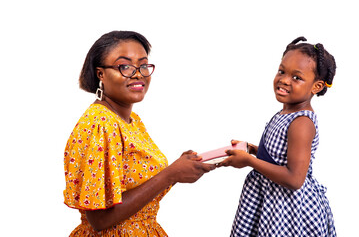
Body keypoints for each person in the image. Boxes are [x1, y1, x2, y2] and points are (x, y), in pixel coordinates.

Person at [63, 30, 215, 236]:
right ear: (101, 74)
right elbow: (99, 219)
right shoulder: (100, 124)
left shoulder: (131, 121)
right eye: (124, 66)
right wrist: (170, 175)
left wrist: (179, 167)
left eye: (143, 65)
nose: (138, 74)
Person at [219, 37, 337, 236]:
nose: (284, 79)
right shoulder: (286, 112)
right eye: (282, 71)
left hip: (286, 207)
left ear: (316, 87)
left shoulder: (302, 123)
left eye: (296, 77)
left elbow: (294, 178)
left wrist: (249, 161)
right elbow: (280, 157)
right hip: (267, 196)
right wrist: (253, 150)